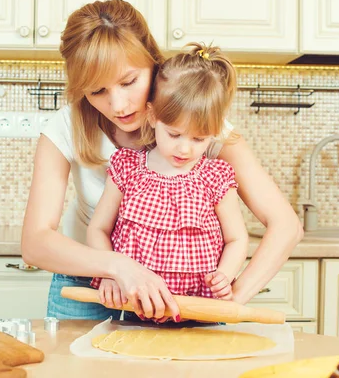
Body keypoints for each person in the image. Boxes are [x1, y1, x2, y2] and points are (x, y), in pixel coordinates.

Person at [21, 0, 303, 322]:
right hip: (90, 285)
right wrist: (116, 266)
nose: (118, 104)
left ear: (153, 62)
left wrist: (231, 300)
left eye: (129, 82)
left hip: (181, 296)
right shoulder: (65, 126)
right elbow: (35, 242)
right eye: (97, 91)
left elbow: (286, 226)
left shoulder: (194, 127)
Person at [87, 44, 249, 321]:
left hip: (198, 313)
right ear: (152, 116)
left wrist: (226, 274)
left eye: (199, 139)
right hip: (131, 309)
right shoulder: (127, 168)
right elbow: (98, 229)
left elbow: (237, 238)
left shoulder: (215, 176)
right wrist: (109, 272)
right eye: (174, 134)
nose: (185, 150)